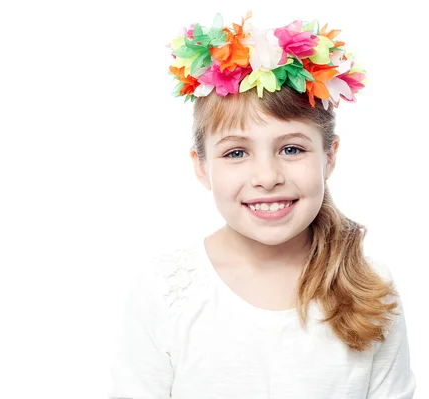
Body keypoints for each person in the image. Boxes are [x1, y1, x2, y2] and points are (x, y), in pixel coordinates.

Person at [107, 12, 416, 399]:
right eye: (237, 152)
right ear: (202, 167)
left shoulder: (371, 289)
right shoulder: (164, 290)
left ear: (329, 158)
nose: (267, 177)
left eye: (291, 149)